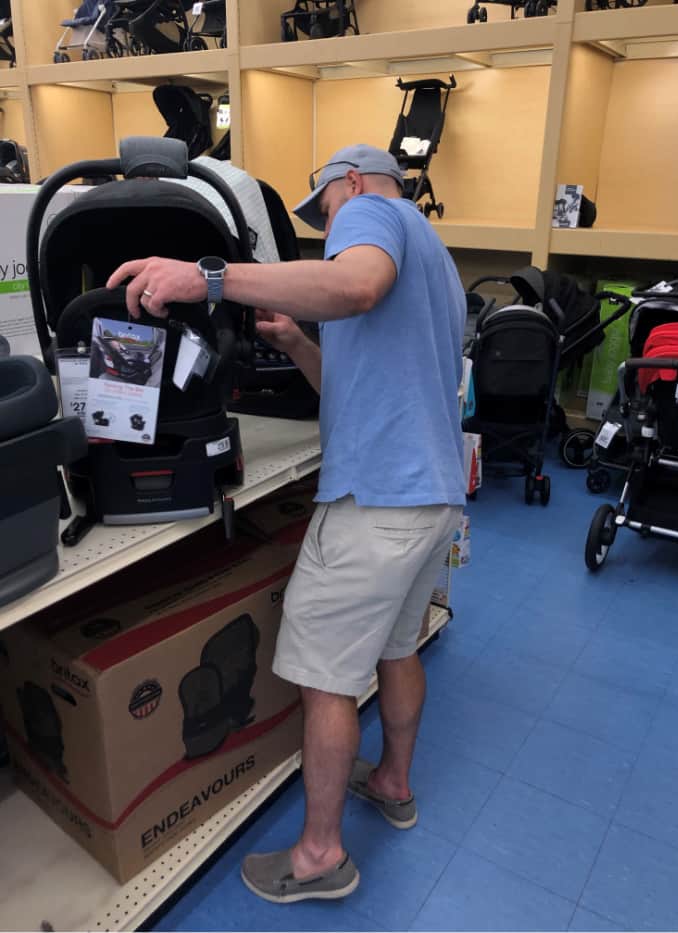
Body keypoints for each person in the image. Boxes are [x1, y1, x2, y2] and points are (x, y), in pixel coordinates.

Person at [107, 143, 466, 904]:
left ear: (358, 184)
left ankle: (318, 856)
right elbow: (360, 384)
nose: (328, 228)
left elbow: (357, 284)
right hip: (428, 498)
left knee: (327, 679)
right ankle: (395, 782)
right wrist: (300, 340)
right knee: (398, 647)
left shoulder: (373, 213)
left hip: (375, 503)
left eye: (326, 209)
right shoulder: (436, 256)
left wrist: (205, 276)